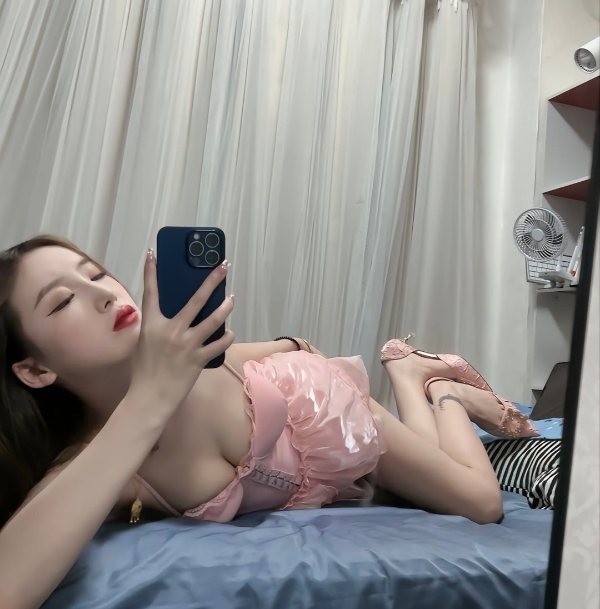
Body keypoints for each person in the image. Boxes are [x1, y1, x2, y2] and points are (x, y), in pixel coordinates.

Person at [0, 235, 538, 609]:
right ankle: (408, 368)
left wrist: (295, 346)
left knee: (480, 503)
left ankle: (443, 392)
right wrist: (148, 397)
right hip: (319, 482)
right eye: (63, 301)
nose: (103, 294)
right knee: (415, 482)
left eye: (96, 273)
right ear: (35, 370)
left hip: (321, 413)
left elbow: (258, 354)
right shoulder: (98, 462)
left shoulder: (196, 361)